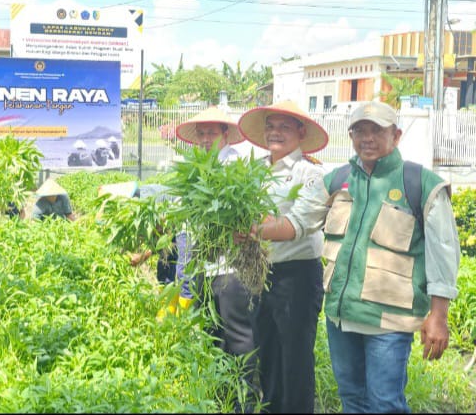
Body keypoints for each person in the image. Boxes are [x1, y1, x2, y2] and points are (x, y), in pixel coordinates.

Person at [243, 101, 460, 413]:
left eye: (377, 130)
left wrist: (438, 316)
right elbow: (296, 223)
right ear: (351, 136)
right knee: (352, 400)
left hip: (388, 321)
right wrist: (253, 230)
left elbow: (443, 252)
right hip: (341, 317)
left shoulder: (421, 184)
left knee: (385, 403)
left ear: (396, 135)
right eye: (360, 131)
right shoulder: (337, 180)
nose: (367, 138)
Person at [235, 100, 330, 413]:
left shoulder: (310, 173)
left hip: (296, 277)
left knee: (295, 362)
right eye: (271, 126)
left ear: (301, 133)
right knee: (267, 357)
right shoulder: (253, 172)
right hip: (260, 275)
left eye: (284, 127)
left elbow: (295, 225)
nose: (275, 132)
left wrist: (251, 228)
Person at [172, 106, 259, 404]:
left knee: (239, 337)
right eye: (201, 133)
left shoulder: (234, 165)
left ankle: (245, 401)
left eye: (212, 132)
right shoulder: (194, 166)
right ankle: (220, 398)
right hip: (204, 267)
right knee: (213, 334)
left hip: (230, 268)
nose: (206, 139)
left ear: (225, 135)